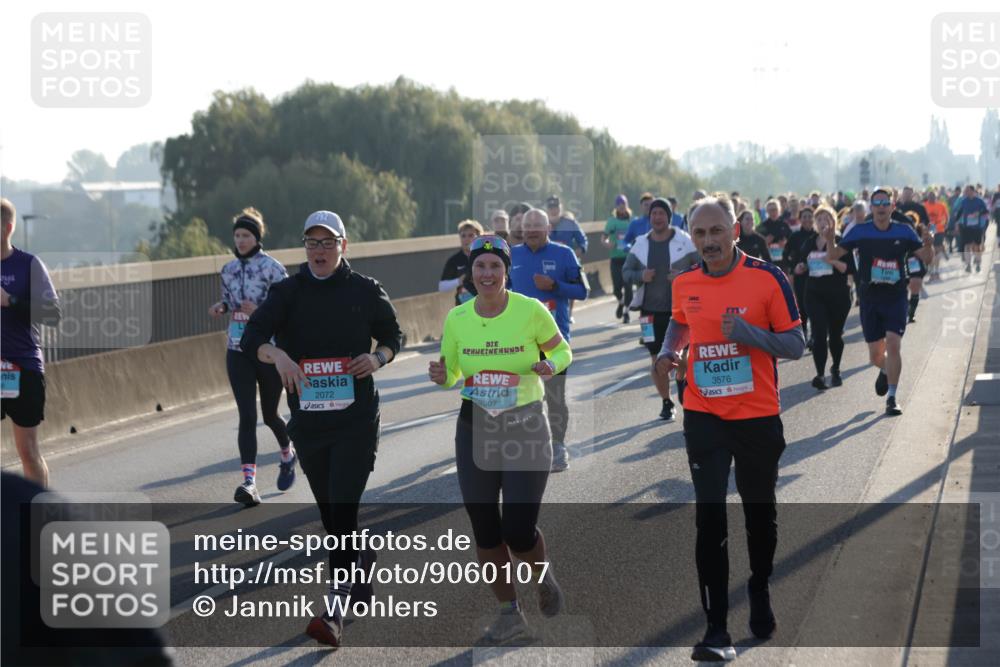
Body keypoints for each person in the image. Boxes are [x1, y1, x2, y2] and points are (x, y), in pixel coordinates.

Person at [240, 210, 403, 648]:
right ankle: (361, 556)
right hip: (310, 423)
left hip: (355, 419)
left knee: (344, 509)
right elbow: (252, 337)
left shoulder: (365, 291)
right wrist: (281, 358)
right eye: (312, 243)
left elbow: (393, 336)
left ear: (343, 246)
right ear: (304, 249)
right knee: (332, 516)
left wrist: (378, 358)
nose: (320, 251)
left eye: (328, 243)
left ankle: (332, 612)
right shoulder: (288, 292)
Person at [655, 194, 805, 662]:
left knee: (759, 516)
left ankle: (759, 588)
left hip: (758, 416)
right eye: (699, 233)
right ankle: (716, 628)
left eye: (716, 231)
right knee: (709, 516)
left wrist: (748, 335)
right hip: (704, 413)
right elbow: (681, 325)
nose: (708, 241)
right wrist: (668, 352)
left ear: (735, 231)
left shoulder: (767, 278)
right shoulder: (685, 283)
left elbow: (796, 343)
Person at [428, 234, 571, 644]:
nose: (486, 274)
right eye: (479, 267)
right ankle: (510, 612)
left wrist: (549, 365)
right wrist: (443, 377)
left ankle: (542, 576)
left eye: (494, 266)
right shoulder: (458, 318)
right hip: (476, 427)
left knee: (518, 530)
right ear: (470, 272)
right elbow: (454, 374)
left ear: (507, 271)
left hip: (526, 426)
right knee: (486, 530)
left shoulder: (529, 311)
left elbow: (564, 352)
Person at [208, 207, 293, 506]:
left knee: (270, 415)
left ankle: (287, 452)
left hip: (268, 351)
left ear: (257, 238)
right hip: (238, 349)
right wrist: (223, 306)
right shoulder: (228, 269)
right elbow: (232, 301)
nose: (241, 240)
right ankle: (249, 483)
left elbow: (288, 308)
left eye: (246, 235)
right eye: (237, 235)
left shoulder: (273, 268)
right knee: (247, 415)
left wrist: (261, 312)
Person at [823, 188, 933, 416]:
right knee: (875, 355)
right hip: (870, 296)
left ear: (892, 207)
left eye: (885, 203)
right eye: (877, 203)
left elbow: (926, 258)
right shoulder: (861, 231)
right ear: (871, 208)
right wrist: (830, 239)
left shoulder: (904, 231)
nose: (881, 207)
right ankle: (885, 370)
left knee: (893, 343)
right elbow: (833, 256)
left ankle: (892, 397)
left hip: (895, 296)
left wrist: (929, 244)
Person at [510, 210, 589, 471]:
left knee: (555, 396)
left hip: (555, 340)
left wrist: (554, 286)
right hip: (519, 342)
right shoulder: (512, 255)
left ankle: (557, 446)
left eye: (537, 226)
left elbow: (583, 290)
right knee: (521, 398)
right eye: (527, 226)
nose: (532, 230)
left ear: (548, 229)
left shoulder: (564, 254)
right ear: (521, 229)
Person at [622, 198, 700, 421]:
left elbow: (702, 267)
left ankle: (682, 381)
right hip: (649, 312)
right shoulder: (641, 244)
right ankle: (667, 401)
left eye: (662, 214)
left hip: (680, 311)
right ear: (650, 218)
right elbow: (626, 272)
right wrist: (640, 276)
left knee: (682, 358)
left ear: (669, 216)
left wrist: (682, 276)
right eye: (654, 214)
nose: (657, 217)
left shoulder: (684, 241)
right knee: (657, 360)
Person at [1, 198, 61, 487]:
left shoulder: (29, 264)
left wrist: (10, 301)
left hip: (22, 367)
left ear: (8, 228)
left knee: (27, 451)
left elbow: (52, 313)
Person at [790, 206, 854, 389]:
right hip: (814, 293)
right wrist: (800, 267)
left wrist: (832, 260)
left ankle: (836, 369)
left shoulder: (842, 242)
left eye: (827, 219)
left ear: (834, 221)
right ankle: (820, 375)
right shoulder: (809, 242)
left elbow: (849, 269)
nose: (822, 222)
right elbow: (801, 263)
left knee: (835, 336)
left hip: (838, 294)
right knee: (819, 334)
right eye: (819, 220)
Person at [785, 206, 816, 349]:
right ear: (800, 219)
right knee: (803, 305)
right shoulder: (795, 236)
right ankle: (804, 332)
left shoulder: (818, 235)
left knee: (815, 305)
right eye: (804, 217)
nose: (807, 219)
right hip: (800, 276)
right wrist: (793, 268)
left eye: (810, 216)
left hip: (817, 276)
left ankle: (816, 335)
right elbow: (786, 255)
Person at [603, 194, 634, 323]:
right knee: (616, 288)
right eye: (619, 205)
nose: (622, 207)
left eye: (624, 204)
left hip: (628, 258)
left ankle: (626, 312)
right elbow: (603, 237)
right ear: (616, 207)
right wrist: (606, 243)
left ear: (627, 206)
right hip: (615, 258)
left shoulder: (632, 221)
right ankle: (621, 302)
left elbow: (637, 236)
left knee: (628, 287)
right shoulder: (612, 221)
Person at [439, 220, 483, 305]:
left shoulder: (487, 257)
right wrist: (459, 281)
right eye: (463, 236)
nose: (467, 239)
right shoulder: (454, 260)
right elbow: (442, 287)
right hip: (463, 307)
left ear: (479, 237)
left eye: (471, 235)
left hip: (486, 306)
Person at [952, 185, 989, 273]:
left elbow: (986, 211)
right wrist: (956, 223)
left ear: (973, 191)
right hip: (966, 227)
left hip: (976, 227)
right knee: (967, 246)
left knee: (976, 246)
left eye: (968, 191)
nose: (966, 192)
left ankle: (978, 263)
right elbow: (959, 213)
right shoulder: (964, 201)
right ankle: (968, 265)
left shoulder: (979, 201)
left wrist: (978, 213)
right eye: (965, 191)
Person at [757, 199, 792, 269]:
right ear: (767, 211)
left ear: (779, 210)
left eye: (775, 209)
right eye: (770, 210)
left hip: (783, 262)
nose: (773, 212)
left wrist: (786, 243)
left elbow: (792, 241)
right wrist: (764, 242)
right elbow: (756, 244)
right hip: (767, 262)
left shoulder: (784, 225)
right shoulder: (762, 226)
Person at [924, 189, 950, 276]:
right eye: (930, 196)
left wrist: (946, 224)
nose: (932, 198)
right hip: (929, 230)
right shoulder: (924, 206)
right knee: (931, 250)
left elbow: (946, 216)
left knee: (937, 249)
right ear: (927, 197)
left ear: (936, 197)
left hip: (939, 229)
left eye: (933, 196)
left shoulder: (941, 205)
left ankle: (936, 269)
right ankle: (932, 268)